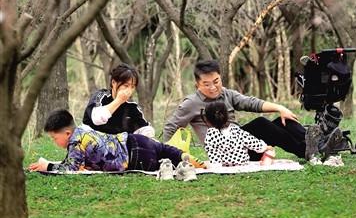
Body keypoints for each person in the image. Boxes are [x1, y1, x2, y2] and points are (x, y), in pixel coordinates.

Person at [163, 59, 308, 159]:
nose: (213, 88)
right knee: (261, 124)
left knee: (285, 120)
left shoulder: (226, 94)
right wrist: (168, 156)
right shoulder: (191, 103)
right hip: (225, 152)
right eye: (207, 84)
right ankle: (304, 151)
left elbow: (251, 103)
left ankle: (314, 142)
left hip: (242, 141)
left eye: (216, 81)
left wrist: (280, 108)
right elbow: (171, 127)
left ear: (220, 78)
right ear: (198, 85)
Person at [29, 109, 204, 175]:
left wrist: (48, 166)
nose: (54, 142)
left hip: (135, 158)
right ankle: (193, 161)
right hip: (135, 139)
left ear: (67, 133)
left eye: (54, 138)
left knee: (162, 165)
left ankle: (176, 164)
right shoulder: (83, 129)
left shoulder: (75, 142)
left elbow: (71, 168)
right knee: (165, 150)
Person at [82, 63, 155, 137]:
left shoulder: (132, 105)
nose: (129, 90)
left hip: (118, 143)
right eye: (126, 86)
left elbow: (144, 127)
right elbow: (97, 119)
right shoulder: (100, 96)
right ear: (113, 83)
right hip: (91, 140)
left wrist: (150, 136)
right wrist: (118, 101)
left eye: (132, 87)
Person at [203, 101, 276, 166]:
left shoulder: (210, 135)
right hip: (243, 164)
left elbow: (213, 152)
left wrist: (216, 166)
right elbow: (251, 141)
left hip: (225, 165)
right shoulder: (236, 130)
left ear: (208, 121)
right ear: (227, 116)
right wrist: (265, 147)